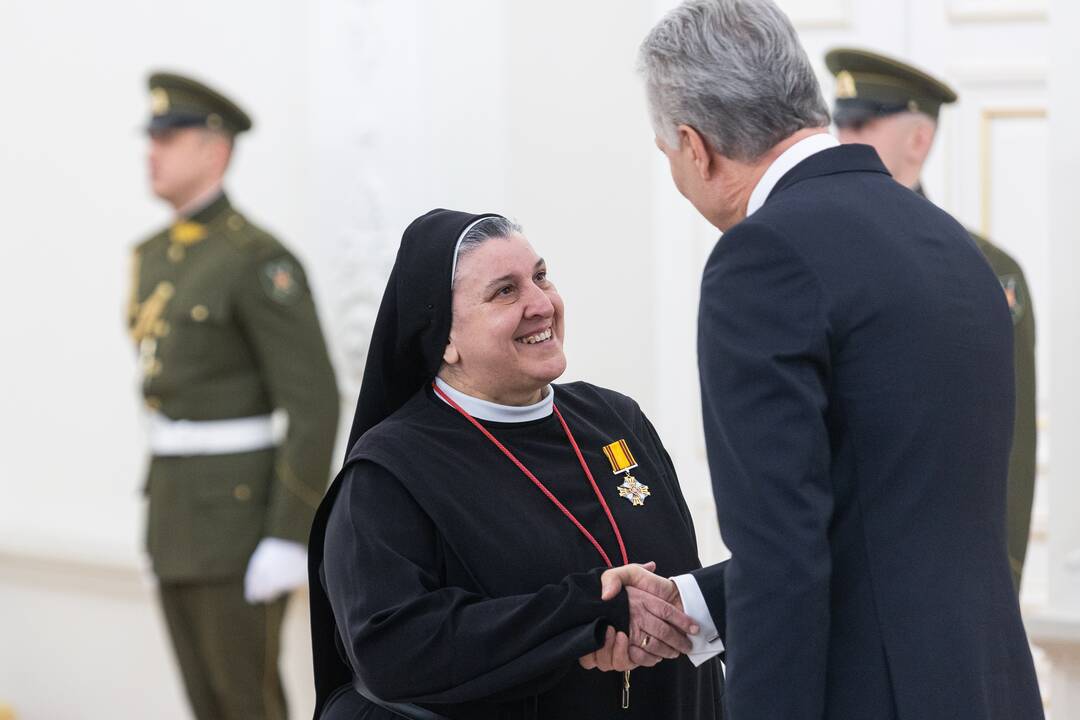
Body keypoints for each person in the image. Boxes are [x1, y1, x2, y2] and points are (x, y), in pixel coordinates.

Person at [601, 1, 1044, 718]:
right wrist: (698, 602)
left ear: (696, 146)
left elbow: (784, 554)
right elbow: (893, 514)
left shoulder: (761, 257)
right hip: (985, 685)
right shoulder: (950, 244)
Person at [307, 210, 724, 719]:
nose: (541, 304)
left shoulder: (616, 419)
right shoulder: (391, 470)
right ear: (444, 339)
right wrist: (588, 614)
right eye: (505, 291)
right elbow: (393, 648)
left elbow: (683, 577)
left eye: (541, 276)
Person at [128, 71, 340, 720]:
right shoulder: (154, 254)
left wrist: (289, 534)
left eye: (170, 136)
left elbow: (315, 401)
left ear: (214, 151)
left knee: (247, 703)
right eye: (152, 136)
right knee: (205, 703)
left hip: (239, 522)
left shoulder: (257, 259)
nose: (152, 151)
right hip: (174, 513)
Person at [825, 47, 1038, 592]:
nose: (843, 137)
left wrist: (1002, 578)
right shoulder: (808, 259)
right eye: (840, 122)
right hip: (830, 575)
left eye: (862, 123)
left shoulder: (986, 270)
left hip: (944, 580)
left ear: (919, 140)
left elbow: (1009, 442)